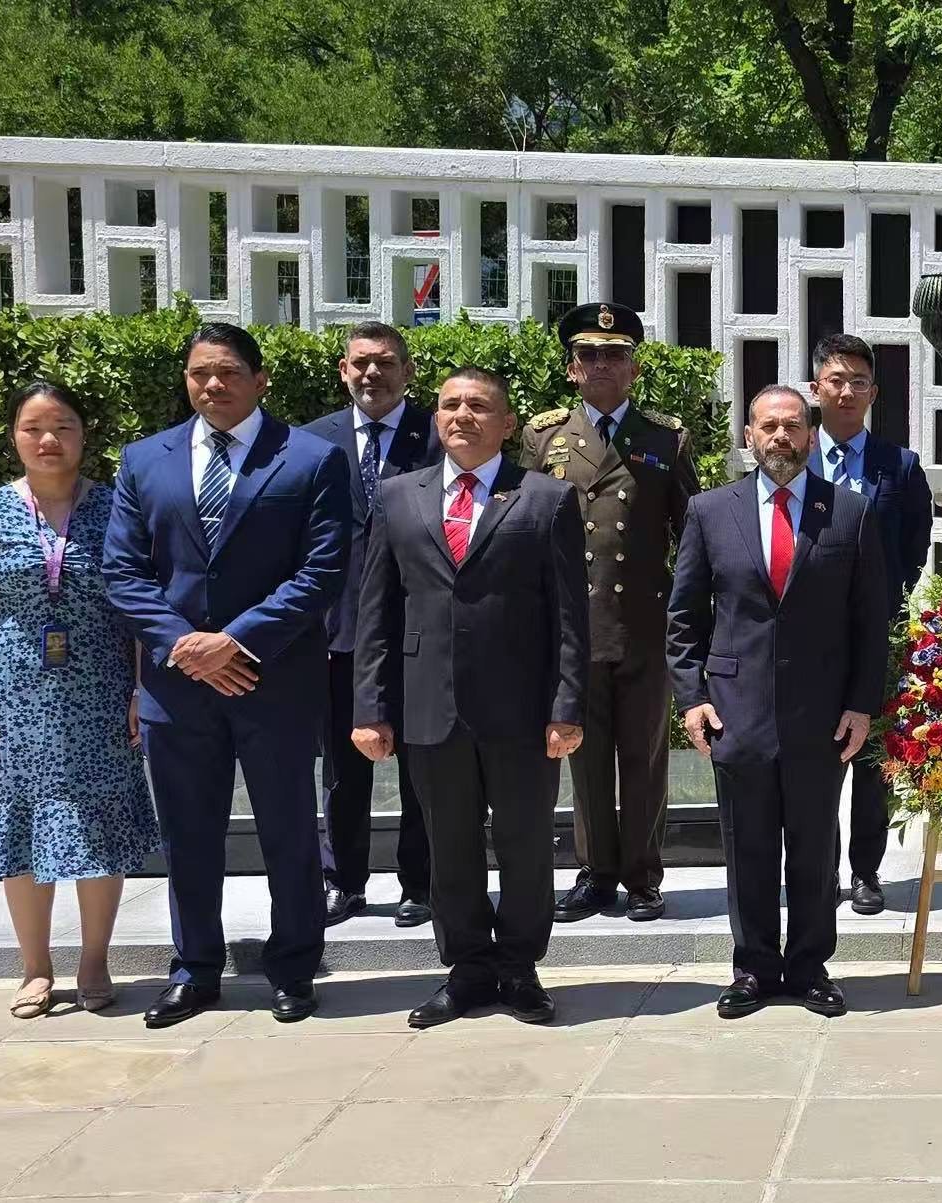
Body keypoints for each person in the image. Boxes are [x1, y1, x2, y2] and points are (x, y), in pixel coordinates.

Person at [102, 322, 350, 1028]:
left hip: (272, 681)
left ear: (260, 378)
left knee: (289, 830)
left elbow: (323, 569)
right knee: (188, 833)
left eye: (228, 372)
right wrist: (185, 646)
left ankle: (295, 965)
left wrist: (235, 642)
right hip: (177, 688)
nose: (212, 384)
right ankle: (195, 968)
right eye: (200, 373)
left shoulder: (308, 458)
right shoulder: (146, 460)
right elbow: (122, 570)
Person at [351, 368, 588, 1028]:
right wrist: (370, 706)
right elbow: (376, 610)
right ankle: (466, 968)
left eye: (479, 406)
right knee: (447, 845)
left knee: (525, 843)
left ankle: (518, 964)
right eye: (451, 404)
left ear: (507, 424)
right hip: (431, 706)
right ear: (435, 418)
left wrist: (567, 705)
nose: (462, 415)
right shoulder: (398, 498)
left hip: (521, 710)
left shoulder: (545, 499)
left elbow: (572, 616)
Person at [668, 385, 888, 1020]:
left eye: (793, 426)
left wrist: (860, 704)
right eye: (769, 426)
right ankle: (754, 967)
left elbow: (870, 621)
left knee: (817, 847)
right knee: (750, 846)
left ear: (811, 435)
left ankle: (811, 966)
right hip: (734, 712)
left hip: (820, 715)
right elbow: (683, 618)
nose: (781, 438)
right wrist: (692, 698)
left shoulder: (847, 512)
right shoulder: (711, 511)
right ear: (749, 433)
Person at [0, 383, 156, 1017]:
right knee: (22, 832)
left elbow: (143, 610)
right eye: (33, 427)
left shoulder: (119, 510)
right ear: (12, 435)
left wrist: (143, 688)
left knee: (96, 829)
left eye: (62, 426)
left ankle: (95, 960)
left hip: (101, 694)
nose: (48, 440)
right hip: (14, 699)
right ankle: (35, 967)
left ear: (83, 434)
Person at [515, 302, 697, 925]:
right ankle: (595, 874)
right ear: (571, 368)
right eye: (588, 354)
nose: (601, 364)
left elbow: (689, 534)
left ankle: (644, 875)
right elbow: (523, 528)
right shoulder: (545, 437)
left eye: (614, 354)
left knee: (644, 756)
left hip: (643, 624)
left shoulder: (665, 438)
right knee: (584, 753)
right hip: (572, 624)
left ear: (634, 367)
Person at [301, 321, 441, 929]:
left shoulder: (439, 437)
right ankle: (344, 881)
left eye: (385, 363)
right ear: (343, 370)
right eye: (360, 363)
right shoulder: (311, 442)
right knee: (342, 768)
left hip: (415, 633)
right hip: (336, 632)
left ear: (407, 372)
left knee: (422, 765)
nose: (372, 374)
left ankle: (420, 882)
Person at [808, 331, 933, 914]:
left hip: (875, 635)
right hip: (805, 637)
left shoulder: (899, 465)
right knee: (814, 762)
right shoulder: (793, 457)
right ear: (817, 388)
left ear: (874, 392)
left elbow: (912, 546)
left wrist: (884, 603)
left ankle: (866, 872)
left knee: (872, 763)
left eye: (859, 381)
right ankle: (818, 870)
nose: (847, 391)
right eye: (837, 379)